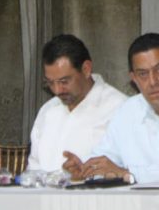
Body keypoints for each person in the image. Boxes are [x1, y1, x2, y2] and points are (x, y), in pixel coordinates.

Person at [64, 33, 159, 183]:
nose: (153, 81)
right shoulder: (127, 111)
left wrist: (127, 175)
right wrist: (86, 170)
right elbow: (105, 162)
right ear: (134, 79)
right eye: (143, 74)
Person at [27, 34, 126, 172]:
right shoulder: (48, 110)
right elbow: (33, 169)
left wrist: (85, 175)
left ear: (86, 69)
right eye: (50, 83)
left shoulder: (121, 108)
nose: (57, 90)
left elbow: (134, 171)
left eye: (64, 82)